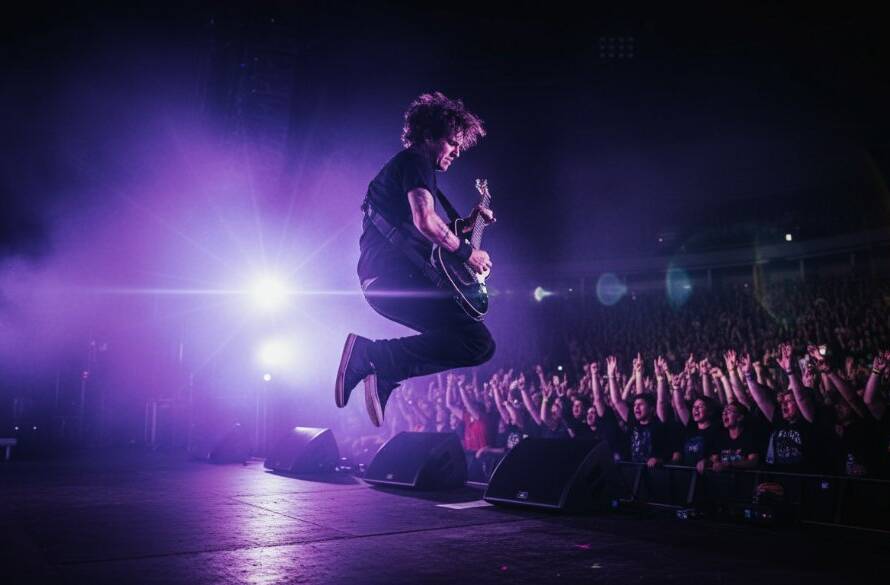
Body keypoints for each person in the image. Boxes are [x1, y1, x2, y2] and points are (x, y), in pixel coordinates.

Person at [336, 92, 496, 426]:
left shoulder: (411, 168)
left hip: (386, 282)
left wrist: (465, 226)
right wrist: (469, 252)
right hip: (393, 280)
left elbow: (418, 230)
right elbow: (426, 222)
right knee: (476, 342)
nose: (456, 152)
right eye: (452, 142)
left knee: (473, 341)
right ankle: (372, 356)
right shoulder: (415, 162)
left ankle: (385, 371)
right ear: (428, 136)